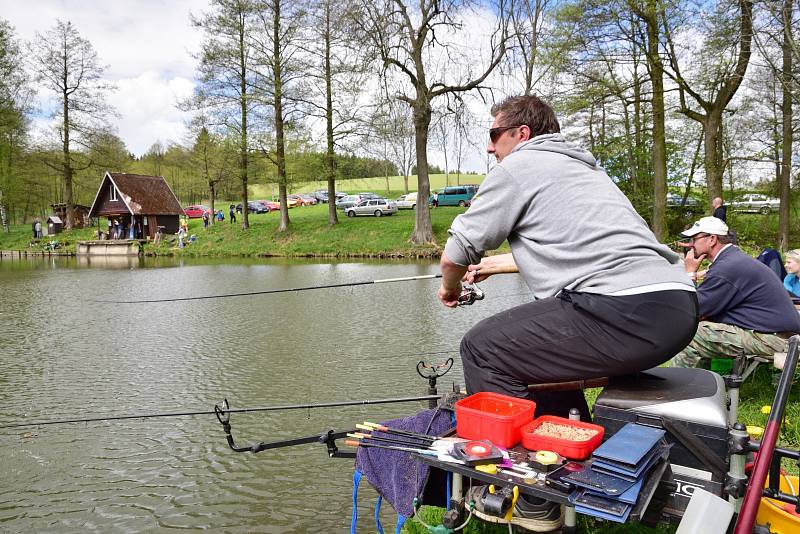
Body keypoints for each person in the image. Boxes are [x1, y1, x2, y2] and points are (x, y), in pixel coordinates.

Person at [439, 95, 698, 421]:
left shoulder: (517, 167)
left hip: (621, 312)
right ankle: (571, 447)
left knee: (482, 348)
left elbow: (454, 256)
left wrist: (449, 289)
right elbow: (579, 249)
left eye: (494, 136)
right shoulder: (585, 170)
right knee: (537, 349)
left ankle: (512, 465)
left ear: (522, 134)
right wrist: (495, 264)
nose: (490, 149)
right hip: (676, 309)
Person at [670, 217, 800, 368]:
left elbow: (692, 310)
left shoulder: (727, 267)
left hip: (779, 340)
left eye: (694, 239)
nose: (691, 244)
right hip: (773, 334)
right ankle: (700, 384)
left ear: (712, 239)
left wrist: (690, 273)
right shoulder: (733, 260)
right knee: (700, 327)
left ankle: (679, 389)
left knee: (688, 334)